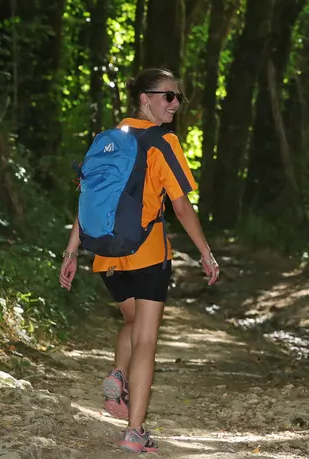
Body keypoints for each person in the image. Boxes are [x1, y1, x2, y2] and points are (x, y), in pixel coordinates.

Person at [59, 67, 219, 454]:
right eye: (169, 96)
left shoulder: (106, 140)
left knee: (131, 321)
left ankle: (118, 374)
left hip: (106, 256)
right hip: (146, 253)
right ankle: (134, 431)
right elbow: (180, 206)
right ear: (145, 98)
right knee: (146, 338)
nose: (176, 104)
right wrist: (205, 251)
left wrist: (72, 250)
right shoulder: (162, 142)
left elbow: (88, 199)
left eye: (179, 97)